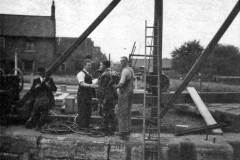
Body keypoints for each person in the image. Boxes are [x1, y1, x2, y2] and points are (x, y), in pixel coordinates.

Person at [97, 60, 119, 134]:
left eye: (101, 65)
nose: (99, 67)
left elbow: (102, 88)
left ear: (104, 66)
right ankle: (113, 128)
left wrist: (100, 98)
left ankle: (105, 129)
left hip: (106, 96)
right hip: (113, 96)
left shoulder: (104, 74)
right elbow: (116, 84)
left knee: (104, 112)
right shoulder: (115, 73)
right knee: (111, 112)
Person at [115, 56, 134, 139]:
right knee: (128, 112)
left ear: (125, 62)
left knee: (121, 112)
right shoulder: (131, 69)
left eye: (122, 61)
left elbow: (121, 83)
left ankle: (122, 132)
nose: (121, 63)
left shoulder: (125, 71)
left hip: (124, 94)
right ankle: (128, 129)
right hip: (130, 92)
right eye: (120, 61)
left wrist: (114, 86)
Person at [76, 59, 98, 128]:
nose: (90, 66)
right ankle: (81, 127)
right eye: (88, 65)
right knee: (82, 111)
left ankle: (86, 126)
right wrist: (91, 85)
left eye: (90, 65)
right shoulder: (81, 74)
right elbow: (82, 83)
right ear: (84, 65)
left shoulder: (88, 74)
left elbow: (91, 82)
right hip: (82, 95)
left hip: (88, 95)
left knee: (88, 111)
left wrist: (97, 80)